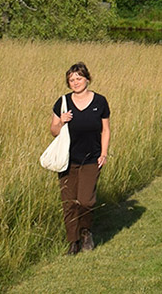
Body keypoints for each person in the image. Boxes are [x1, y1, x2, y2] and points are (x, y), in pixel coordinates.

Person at [49, 62, 110, 255]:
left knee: (85, 201)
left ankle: (85, 231)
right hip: (67, 160)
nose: (75, 82)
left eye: (79, 78)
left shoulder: (100, 101)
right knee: (68, 203)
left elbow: (105, 130)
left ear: (87, 79)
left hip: (92, 158)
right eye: (71, 80)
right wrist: (61, 122)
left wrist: (104, 153)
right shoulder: (63, 102)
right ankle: (73, 242)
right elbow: (53, 131)